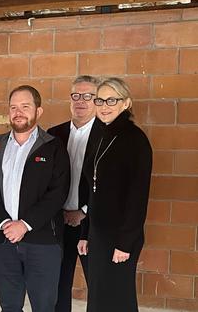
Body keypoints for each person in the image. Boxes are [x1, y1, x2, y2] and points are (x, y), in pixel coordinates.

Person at [0, 85, 70, 312]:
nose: (18, 112)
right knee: (9, 305)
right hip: (3, 240)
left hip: (43, 242)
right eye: (13, 107)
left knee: (44, 306)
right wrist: (4, 223)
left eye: (25, 107)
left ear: (38, 111)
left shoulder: (53, 147)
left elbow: (58, 193)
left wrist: (24, 225)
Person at [78, 77, 152, 312]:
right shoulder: (99, 134)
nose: (104, 106)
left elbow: (138, 197)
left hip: (121, 237)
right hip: (98, 234)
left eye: (112, 100)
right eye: (99, 100)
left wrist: (125, 243)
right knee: (99, 298)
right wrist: (85, 233)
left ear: (126, 103)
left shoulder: (136, 140)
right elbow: (92, 191)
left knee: (119, 298)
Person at [47, 75, 102, 312]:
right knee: (58, 284)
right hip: (57, 221)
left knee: (98, 284)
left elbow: (110, 186)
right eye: (76, 95)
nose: (81, 101)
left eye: (88, 96)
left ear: (97, 100)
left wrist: (84, 212)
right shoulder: (54, 133)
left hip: (91, 223)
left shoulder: (106, 136)